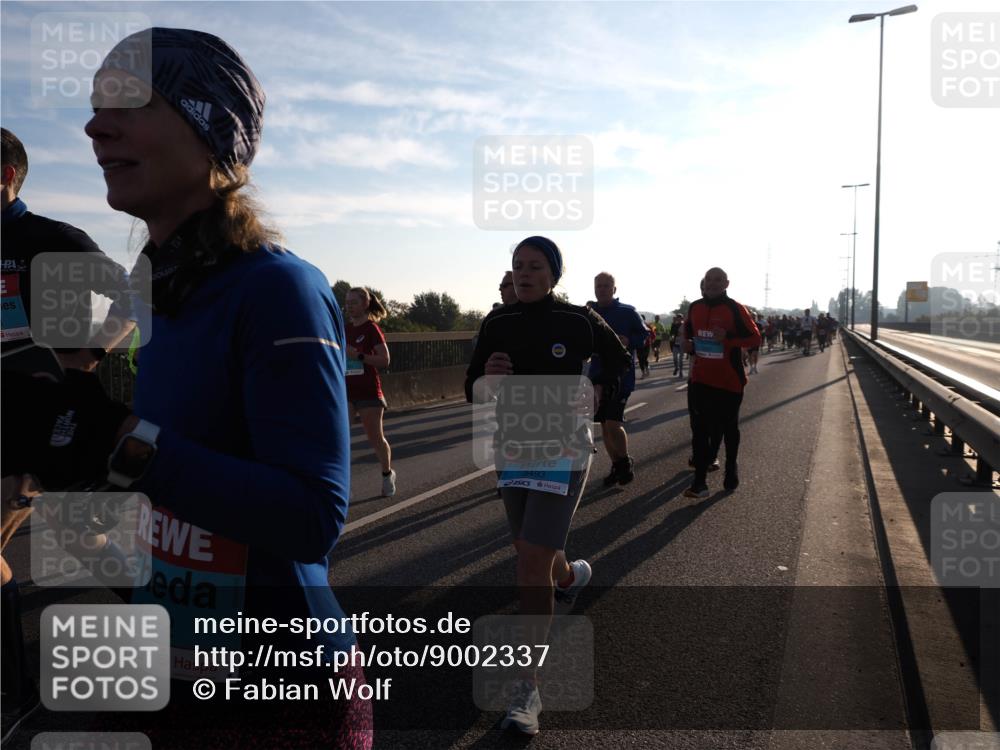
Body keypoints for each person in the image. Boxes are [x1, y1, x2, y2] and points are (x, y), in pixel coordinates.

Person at [4, 27, 371, 748]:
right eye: (93, 108)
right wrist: (71, 469)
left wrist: (116, 439)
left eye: (127, 103)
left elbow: (311, 519)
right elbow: (179, 507)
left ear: (209, 127)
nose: (94, 127)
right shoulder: (160, 290)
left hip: (281, 694)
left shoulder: (277, 288)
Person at [1, 127, 137, 741]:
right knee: (84, 540)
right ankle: (178, 613)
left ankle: (16, 696)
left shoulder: (50, 239)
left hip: (40, 419)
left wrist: (84, 358)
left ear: (6, 176)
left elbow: (134, 296)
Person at [465, 236, 628, 735]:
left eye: (535, 266)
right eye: (517, 265)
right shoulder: (497, 322)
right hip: (513, 448)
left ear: (554, 274)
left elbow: (620, 359)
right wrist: (487, 378)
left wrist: (597, 388)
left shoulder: (578, 320)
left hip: (564, 450)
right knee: (530, 548)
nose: (523, 273)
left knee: (530, 560)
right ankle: (570, 577)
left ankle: (526, 689)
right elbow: (472, 388)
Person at [681, 267, 760, 498]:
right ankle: (699, 483)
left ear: (726, 284)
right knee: (699, 430)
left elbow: (755, 338)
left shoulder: (735, 308)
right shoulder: (695, 307)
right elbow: (688, 334)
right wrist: (687, 345)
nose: (712, 283)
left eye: (718, 280)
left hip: (729, 381)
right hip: (700, 379)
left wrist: (728, 338)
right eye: (709, 279)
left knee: (728, 428)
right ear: (703, 283)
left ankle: (731, 467)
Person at [587, 272, 647, 486]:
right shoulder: (588, 313)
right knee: (604, 425)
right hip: (596, 378)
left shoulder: (627, 312)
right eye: (598, 286)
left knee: (613, 422)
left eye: (606, 286)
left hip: (621, 377)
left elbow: (645, 335)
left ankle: (624, 462)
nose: (602, 289)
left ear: (614, 289)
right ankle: (616, 465)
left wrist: (628, 340)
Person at [344, 286, 396, 497]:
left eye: (354, 302)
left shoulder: (371, 329)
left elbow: (385, 360)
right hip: (346, 392)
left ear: (365, 304)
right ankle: (342, 485)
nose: (349, 307)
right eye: (347, 303)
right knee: (341, 438)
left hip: (368, 392)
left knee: (375, 438)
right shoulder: (344, 329)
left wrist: (359, 356)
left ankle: (387, 474)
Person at [668, 313, 685, 377]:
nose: (679, 319)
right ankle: (676, 367)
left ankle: (681, 371)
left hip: (682, 344)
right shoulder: (674, 325)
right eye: (678, 317)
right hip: (675, 344)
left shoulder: (684, 325)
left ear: (682, 318)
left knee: (681, 359)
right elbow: (671, 335)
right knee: (675, 358)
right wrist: (671, 344)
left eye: (680, 318)